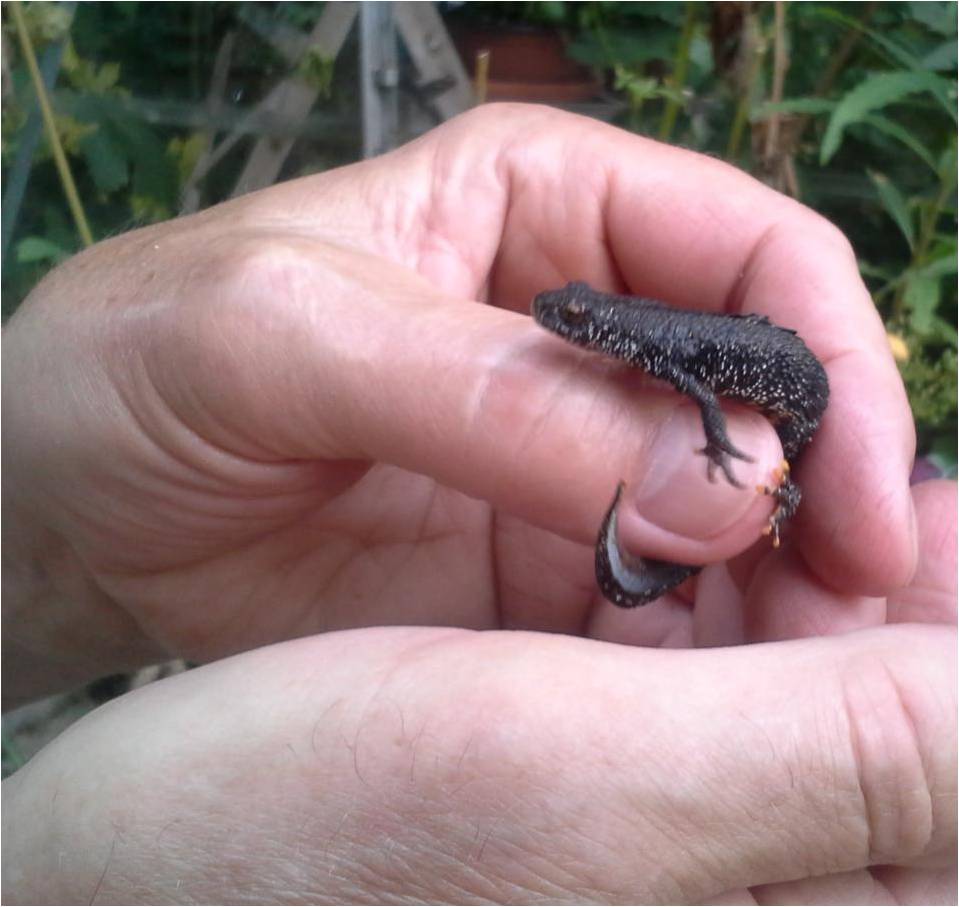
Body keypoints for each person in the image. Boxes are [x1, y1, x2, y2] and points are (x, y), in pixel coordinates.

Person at [3, 104, 955, 904]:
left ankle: (750, 516)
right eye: (568, 314)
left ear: (606, 334)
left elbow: (705, 396)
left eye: (570, 319)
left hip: (797, 408)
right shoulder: (643, 343)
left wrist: (714, 449)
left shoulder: (668, 351)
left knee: (797, 499)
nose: (554, 321)